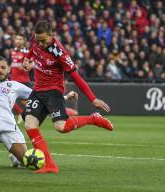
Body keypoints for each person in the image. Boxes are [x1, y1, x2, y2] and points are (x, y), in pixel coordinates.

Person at [22, 20, 114, 174]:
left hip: (53, 91)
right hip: (37, 90)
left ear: (52, 36)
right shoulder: (37, 40)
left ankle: (93, 119)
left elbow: (77, 78)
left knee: (61, 127)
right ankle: (50, 165)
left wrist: (93, 99)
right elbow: (33, 48)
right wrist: (27, 57)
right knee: (30, 125)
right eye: (38, 40)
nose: (41, 43)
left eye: (44, 40)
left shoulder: (60, 53)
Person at [10, 34, 31, 124]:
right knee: (8, 98)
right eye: (17, 39)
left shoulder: (27, 52)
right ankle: (20, 113)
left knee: (26, 102)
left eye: (20, 39)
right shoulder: (13, 51)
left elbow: (31, 65)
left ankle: (31, 116)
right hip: (13, 80)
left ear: (24, 41)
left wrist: (25, 67)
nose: (18, 41)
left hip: (24, 80)